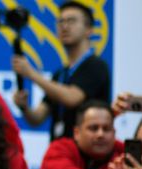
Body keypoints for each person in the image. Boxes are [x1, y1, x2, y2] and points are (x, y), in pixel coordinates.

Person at [12, 1, 110, 141]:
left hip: (86, 155)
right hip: (59, 152)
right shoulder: (60, 74)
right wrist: (24, 108)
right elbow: (37, 118)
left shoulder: (96, 66)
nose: (64, 26)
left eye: (71, 21)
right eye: (60, 21)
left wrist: (31, 74)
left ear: (89, 29)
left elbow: (72, 98)